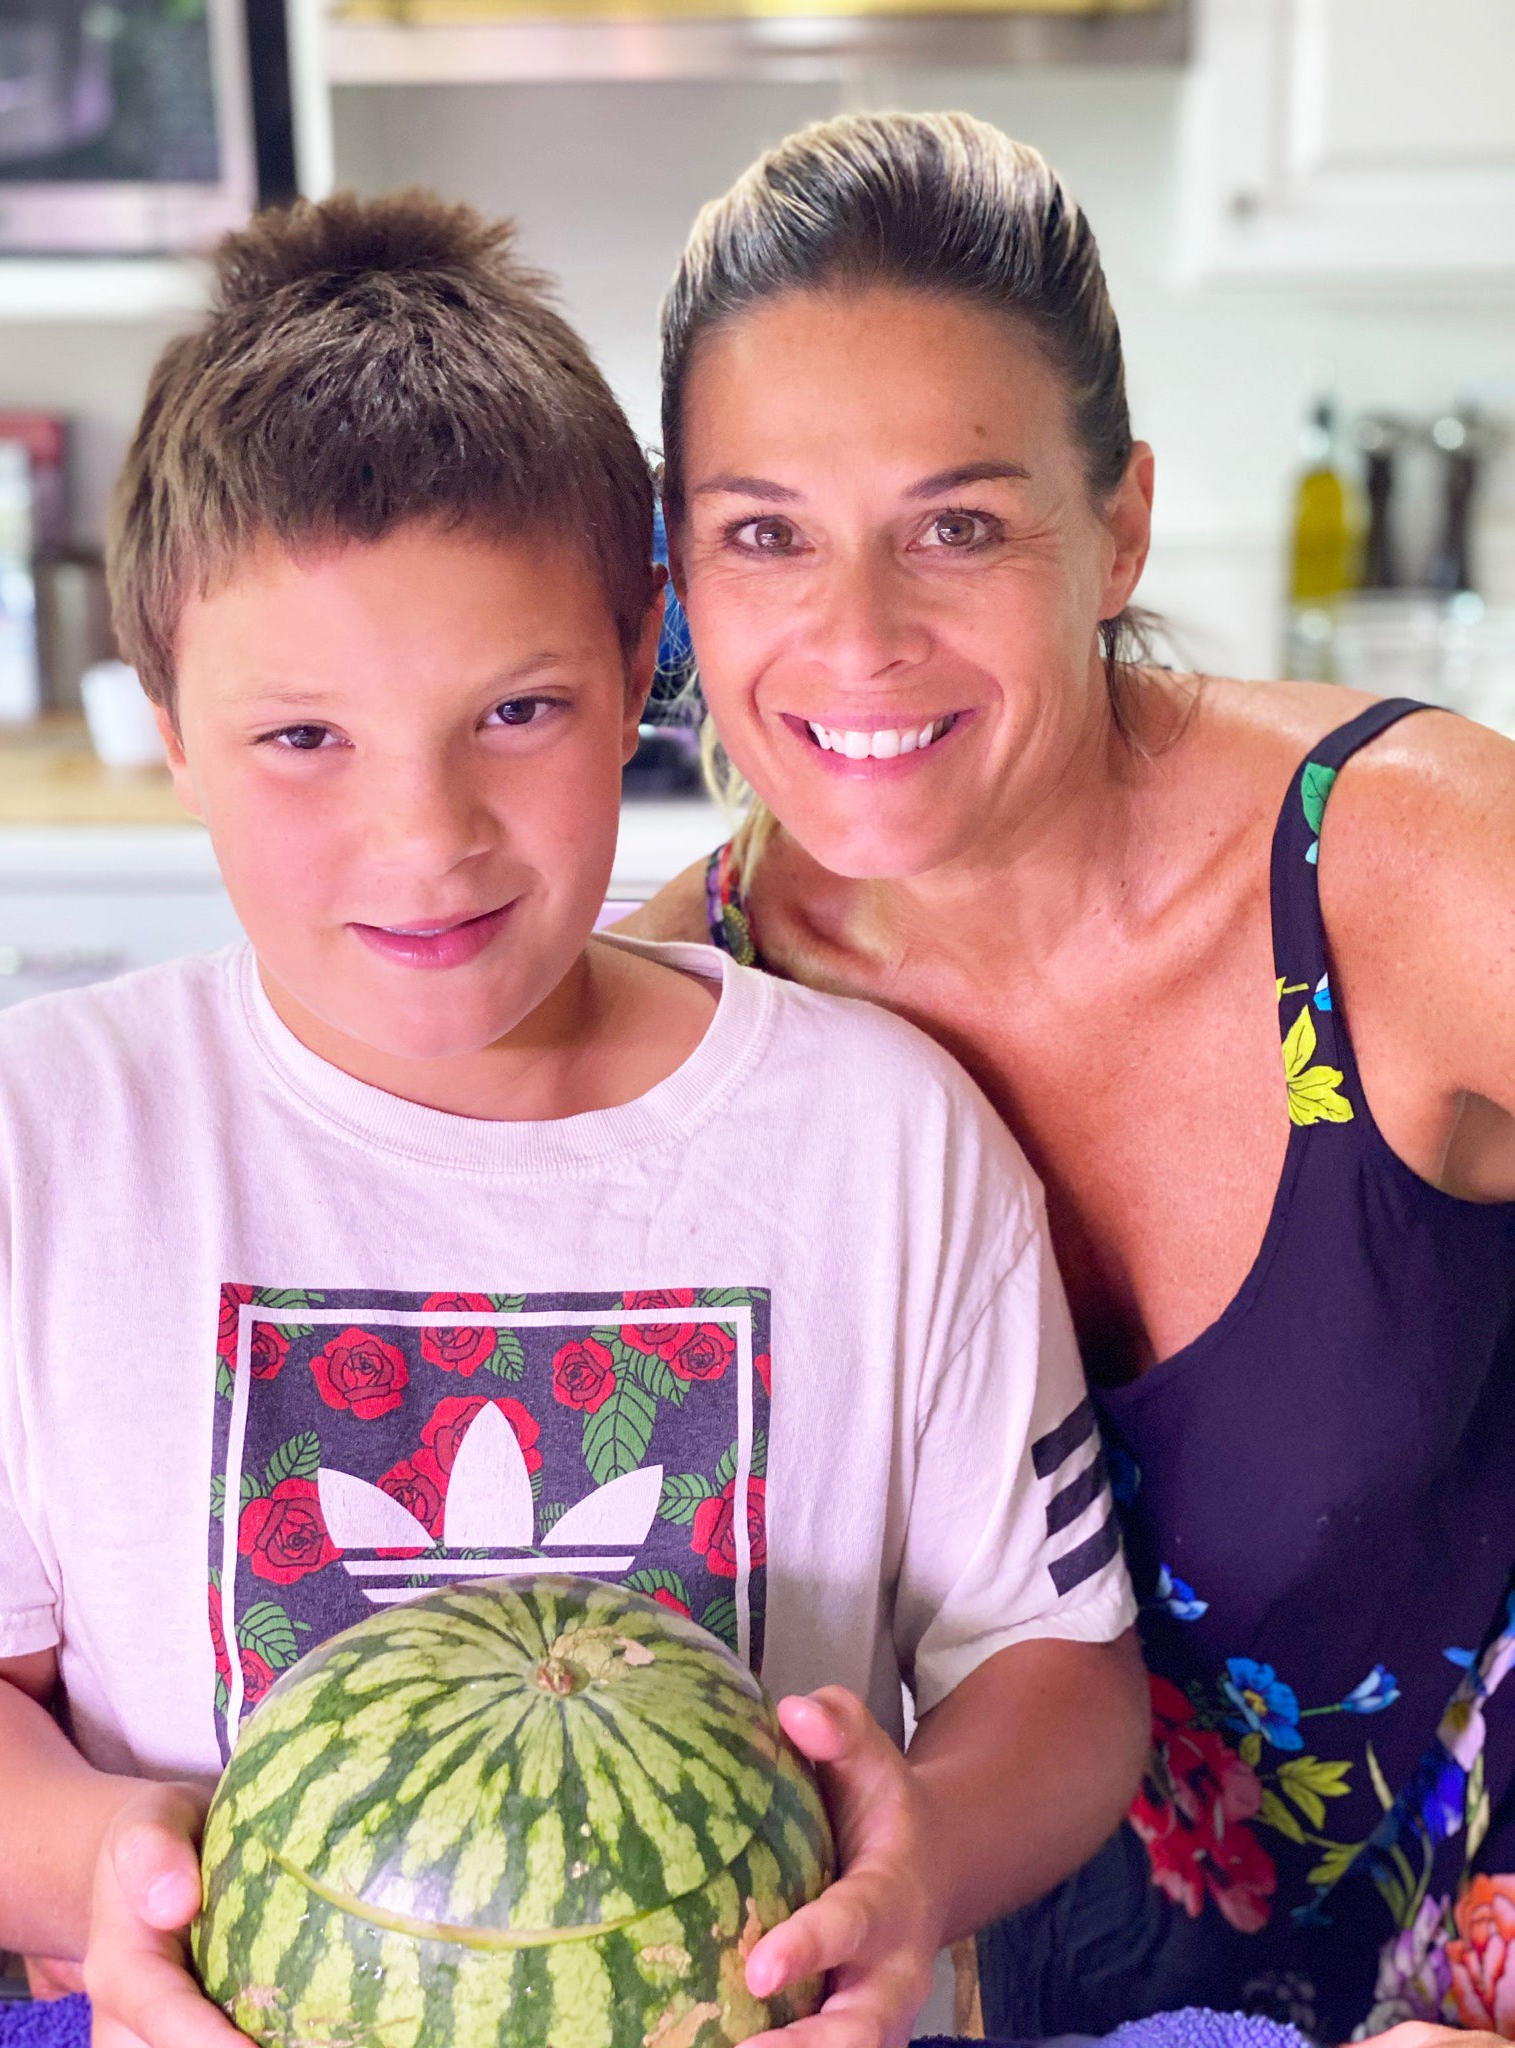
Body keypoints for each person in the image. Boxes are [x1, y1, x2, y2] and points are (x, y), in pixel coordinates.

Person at [0, 189, 1148, 2048]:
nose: (424, 834)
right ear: (169, 728)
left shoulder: (883, 1145)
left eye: (516, 709)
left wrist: (914, 1857)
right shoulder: (34, 1148)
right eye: (304, 739)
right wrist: (103, 1868)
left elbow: (1062, 1678)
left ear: (643, 674)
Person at [623, 109, 1515, 2046]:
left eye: (958, 523)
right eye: (765, 532)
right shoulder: (659, 1028)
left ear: (1114, 529)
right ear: (678, 572)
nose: (855, 637)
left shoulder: (1401, 873)